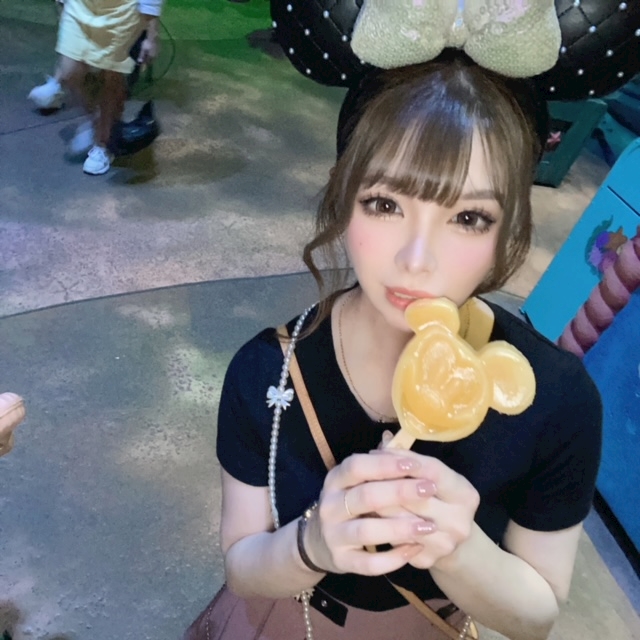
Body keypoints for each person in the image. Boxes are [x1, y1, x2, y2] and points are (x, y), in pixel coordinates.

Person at [184, 54, 602, 640]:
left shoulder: (554, 399)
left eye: (469, 217)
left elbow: (537, 615)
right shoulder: (266, 371)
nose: (416, 259)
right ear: (343, 194)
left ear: (508, 226)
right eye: (385, 204)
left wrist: (458, 549)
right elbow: (242, 569)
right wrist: (311, 544)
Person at [29, 0, 163, 175]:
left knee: (111, 78)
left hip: (121, 14)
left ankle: (102, 145)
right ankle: (98, 123)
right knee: (70, 72)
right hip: (79, 7)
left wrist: (151, 37)